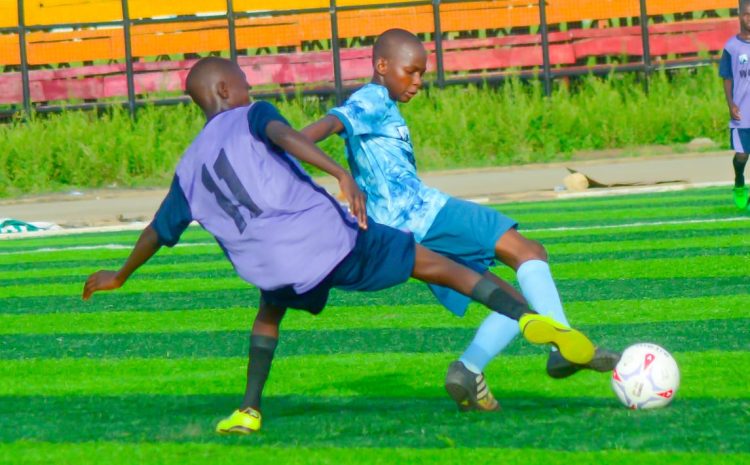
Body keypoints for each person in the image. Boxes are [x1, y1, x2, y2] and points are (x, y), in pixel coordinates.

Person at [81, 57, 595, 434]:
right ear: (224, 88)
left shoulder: (188, 168)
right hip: (331, 240)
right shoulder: (254, 114)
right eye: (242, 80)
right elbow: (288, 137)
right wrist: (339, 172)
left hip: (275, 266)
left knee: (268, 315)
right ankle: (527, 318)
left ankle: (249, 409)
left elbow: (157, 229)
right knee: (436, 265)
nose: (249, 85)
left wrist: (120, 275)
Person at [301, 29, 619, 413]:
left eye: (422, 73)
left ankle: (468, 370)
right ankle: (563, 345)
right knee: (528, 250)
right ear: (382, 66)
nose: (418, 82)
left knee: (512, 302)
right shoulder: (372, 99)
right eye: (411, 71)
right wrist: (330, 169)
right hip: (427, 214)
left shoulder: (381, 102)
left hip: (404, 237)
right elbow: (315, 132)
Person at [720, 0, 750, 210]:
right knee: (742, 156)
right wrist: (731, 104)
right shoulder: (731, 47)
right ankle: (739, 181)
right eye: (747, 14)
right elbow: (727, 77)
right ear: (740, 16)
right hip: (742, 112)